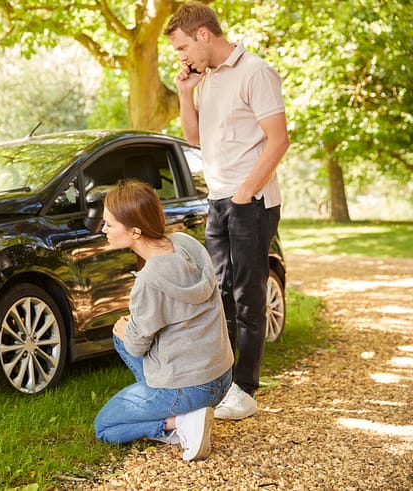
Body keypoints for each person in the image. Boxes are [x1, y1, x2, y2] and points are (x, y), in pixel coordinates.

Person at [165, 2, 290, 420]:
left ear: (203, 34)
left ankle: (246, 390)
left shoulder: (255, 72)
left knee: (247, 294)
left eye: (182, 47)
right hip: (217, 201)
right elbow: (195, 136)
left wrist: (243, 194)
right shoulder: (207, 80)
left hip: (250, 202)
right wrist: (185, 93)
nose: (181, 57)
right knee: (219, 294)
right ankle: (223, 382)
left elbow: (278, 140)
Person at [93, 179, 233, 461]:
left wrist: (127, 329)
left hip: (193, 388)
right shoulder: (186, 244)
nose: (103, 229)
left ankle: (181, 423)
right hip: (222, 374)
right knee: (124, 334)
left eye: (109, 224)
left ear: (134, 231)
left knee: (105, 426)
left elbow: (135, 346)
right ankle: (175, 410)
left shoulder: (148, 280)